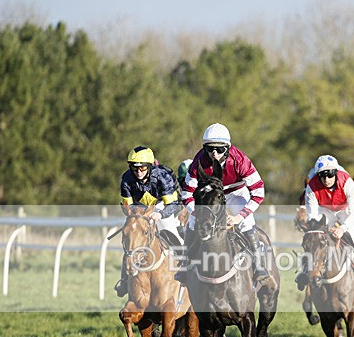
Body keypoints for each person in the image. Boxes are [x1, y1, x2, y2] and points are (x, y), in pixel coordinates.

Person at [177, 123, 270, 286]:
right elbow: (186, 193)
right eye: (210, 148)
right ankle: (185, 264)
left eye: (219, 149)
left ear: (227, 148)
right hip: (210, 195)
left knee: (247, 222)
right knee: (192, 223)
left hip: (235, 194)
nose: (214, 153)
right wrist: (197, 213)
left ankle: (259, 264)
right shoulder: (199, 160)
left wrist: (239, 217)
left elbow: (258, 192)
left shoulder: (240, 160)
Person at [295, 155, 354, 290]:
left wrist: (342, 229)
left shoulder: (348, 182)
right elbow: (312, 216)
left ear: (336, 173)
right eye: (322, 175)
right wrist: (320, 229)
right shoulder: (311, 187)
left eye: (330, 175)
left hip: (345, 210)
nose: (326, 179)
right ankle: (305, 270)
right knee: (315, 237)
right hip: (325, 210)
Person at [114, 145, 184, 297]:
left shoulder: (163, 176)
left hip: (162, 206)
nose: (139, 172)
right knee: (131, 240)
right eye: (135, 168)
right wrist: (136, 216)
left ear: (150, 166)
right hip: (139, 210)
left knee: (172, 232)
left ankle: (186, 273)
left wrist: (160, 215)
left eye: (143, 168)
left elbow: (172, 204)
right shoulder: (126, 178)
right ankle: (124, 280)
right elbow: (127, 205)